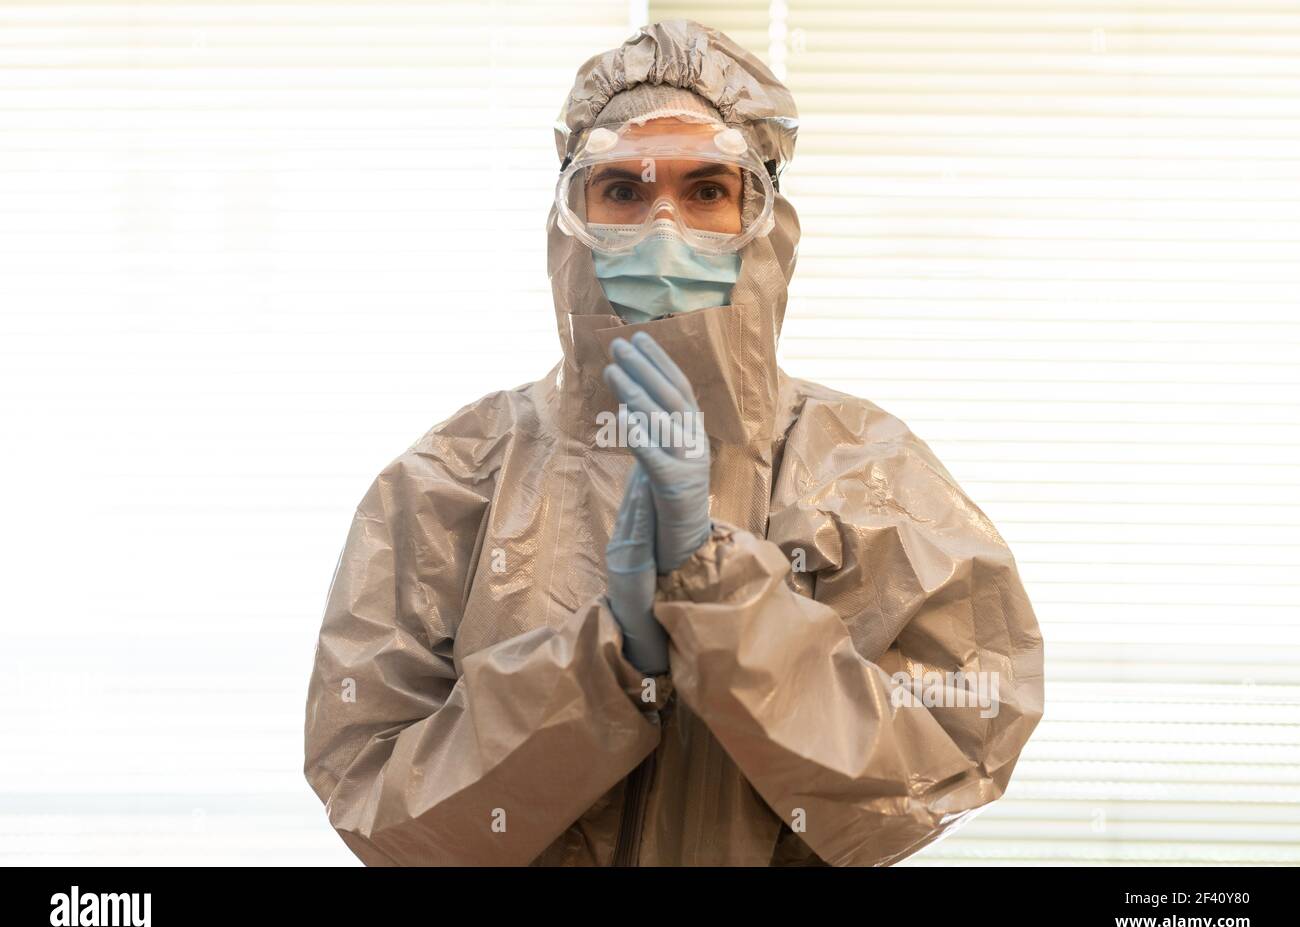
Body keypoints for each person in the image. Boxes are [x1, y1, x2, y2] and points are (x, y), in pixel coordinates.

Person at [302, 19, 1044, 867]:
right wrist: (608, 665)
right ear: (570, 218)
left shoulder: (869, 475)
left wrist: (722, 601)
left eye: (705, 191)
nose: (664, 230)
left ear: (761, 219)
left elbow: (938, 765)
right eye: (621, 190)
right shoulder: (448, 486)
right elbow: (385, 814)